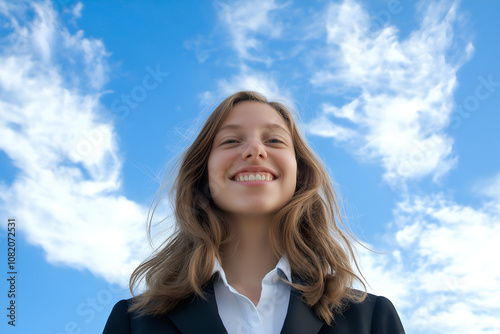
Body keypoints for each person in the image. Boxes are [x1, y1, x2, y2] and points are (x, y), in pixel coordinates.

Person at [102, 91, 405, 333]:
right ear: (202, 175)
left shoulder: (370, 319)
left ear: (299, 174)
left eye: (274, 140)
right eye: (231, 141)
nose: (254, 150)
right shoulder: (134, 323)